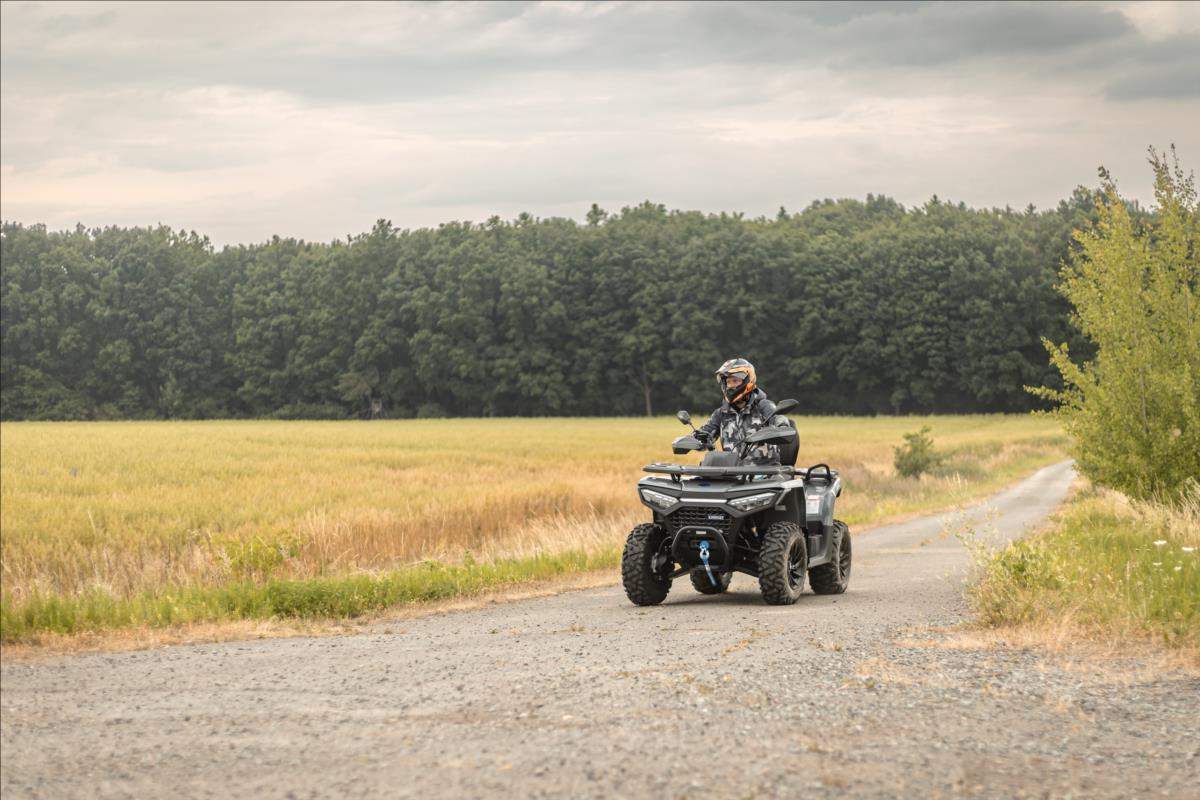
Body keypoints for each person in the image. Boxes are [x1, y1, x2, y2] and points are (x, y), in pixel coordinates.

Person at [694, 358, 786, 463]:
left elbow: (778, 419)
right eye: (728, 382)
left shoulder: (763, 406)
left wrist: (781, 425)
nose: (731, 386)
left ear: (748, 380)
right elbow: (705, 434)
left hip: (764, 470)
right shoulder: (721, 413)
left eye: (735, 381)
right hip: (732, 470)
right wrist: (695, 439)